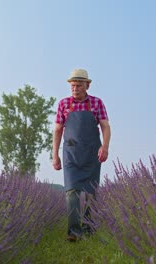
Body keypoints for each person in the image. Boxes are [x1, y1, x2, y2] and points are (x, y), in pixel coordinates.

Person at [52, 68, 111, 242]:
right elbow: (57, 130)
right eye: (72, 85)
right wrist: (55, 155)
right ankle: (74, 232)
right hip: (70, 153)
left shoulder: (96, 103)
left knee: (91, 192)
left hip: (92, 152)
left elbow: (105, 127)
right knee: (72, 192)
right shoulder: (63, 104)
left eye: (78, 85)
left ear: (87, 85)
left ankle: (89, 230)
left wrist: (105, 147)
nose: (75, 88)